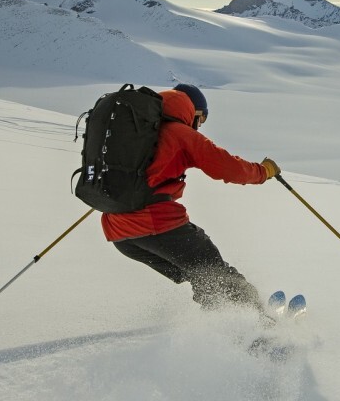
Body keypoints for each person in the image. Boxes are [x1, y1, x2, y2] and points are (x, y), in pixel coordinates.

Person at [101, 83, 279, 313]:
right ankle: (258, 324)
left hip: (120, 234)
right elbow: (227, 167)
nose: (199, 127)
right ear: (191, 112)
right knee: (216, 275)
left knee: (200, 276)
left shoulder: (138, 132)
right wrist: (263, 171)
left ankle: (221, 326)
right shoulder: (180, 133)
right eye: (201, 120)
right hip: (156, 225)